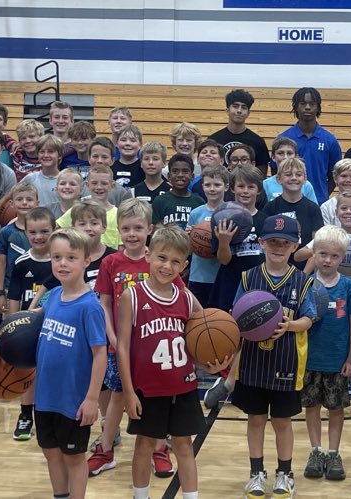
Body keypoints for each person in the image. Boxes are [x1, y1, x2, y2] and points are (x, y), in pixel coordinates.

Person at [116, 226, 228, 499]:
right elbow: (122, 347)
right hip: (147, 390)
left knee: (184, 446)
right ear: (149, 256)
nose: (167, 266)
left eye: (175, 261)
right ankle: (140, 496)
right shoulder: (132, 296)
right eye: (162, 258)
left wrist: (211, 365)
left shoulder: (188, 298)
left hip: (183, 388)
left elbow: (206, 337)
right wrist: (129, 393)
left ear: (185, 265)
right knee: (144, 445)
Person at [224, 214, 322, 499]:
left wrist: (288, 326)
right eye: (273, 242)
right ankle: (256, 473)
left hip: (287, 362)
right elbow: (236, 317)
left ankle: (285, 473)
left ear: (295, 247)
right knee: (255, 419)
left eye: (285, 243)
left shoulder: (302, 281)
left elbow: (309, 319)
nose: (278, 247)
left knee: (282, 422)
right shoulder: (249, 277)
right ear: (261, 243)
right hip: (253, 363)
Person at [89, 199, 170, 479]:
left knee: (158, 399)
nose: (132, 234)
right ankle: (105, 449)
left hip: (154, 344)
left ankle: (159, 449)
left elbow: (177, 296)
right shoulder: (111, 262)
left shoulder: (158, 260)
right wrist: (111, 336)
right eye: (126, 228)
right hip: (121, 345)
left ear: (150, 228)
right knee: (118, 396)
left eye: (138, 228)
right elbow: (104, 303)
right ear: (118, 230)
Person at [32, 228, 109, 499]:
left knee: (74, 457)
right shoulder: (52, 297)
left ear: (86, 261)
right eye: (56, 257)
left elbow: (101, 354)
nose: (62, 263)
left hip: (73, 400)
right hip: (44, 397)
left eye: (71, 257)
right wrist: (2, 331)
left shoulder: (90, 307)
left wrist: (91, 399)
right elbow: (27, 322)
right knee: (51, 453)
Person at [300, 226, 351, 483]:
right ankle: (316, 451)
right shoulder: (304, 285)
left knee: (336, 409)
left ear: (343, 257)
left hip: (337, 361)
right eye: (322, 254)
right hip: (309, 360)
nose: (327, 260)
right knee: (311, 407)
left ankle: (334, 453)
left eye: (334, 256)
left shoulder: (349, 288)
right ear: (313, 253)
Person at [5, 208, 57, 442]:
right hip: (28, 326)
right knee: (27, 371)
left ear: (54, 230)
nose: (38, 237)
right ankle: (25, 415)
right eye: (33, 232)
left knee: (53, 372)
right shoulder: (21, 262)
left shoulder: (60, 260)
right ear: (25, 232)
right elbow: (14, 296)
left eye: (44, 231)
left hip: (56, 325)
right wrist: (12, 326)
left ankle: (51, 415)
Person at [211, 167, 268, 311]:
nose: (245, 191)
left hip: (258, 282)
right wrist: (224, 242)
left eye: (251, 187)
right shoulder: (221, 218)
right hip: (231, 282)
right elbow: (224, 260)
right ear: (232, 189)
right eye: (241, 186)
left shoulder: (266, 220)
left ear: (259, 190)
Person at [278, 87, 341, 200]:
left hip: (319, 202)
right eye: (303, 104)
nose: (307, 107)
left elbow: (334, 176)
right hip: (288, 201)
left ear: (318, 107)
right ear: (296, 107)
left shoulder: (330, 140)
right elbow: (276, 171)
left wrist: (321, 196)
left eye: (312, 104)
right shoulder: (284, 138)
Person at [262, 157, 323, 263]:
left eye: (298, 175)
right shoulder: (270, 208)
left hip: (304, 271)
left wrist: (305, 275)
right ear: (279, 179)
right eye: (288, 174)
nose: (294, 178)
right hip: (276, 267)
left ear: (305, 179)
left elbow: (316, 248)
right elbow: (265, 244)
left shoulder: (313, 209)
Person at [0, 184, 40, 313]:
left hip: (37, 288)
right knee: (12, 327)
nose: (24, 203)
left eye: (29, 200)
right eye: (19, 199)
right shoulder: (6, 232)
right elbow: (1, 263)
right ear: (11, 203)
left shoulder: (43, 232)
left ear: (37, 203)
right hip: (10, 288)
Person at [186, 166, 229, 304]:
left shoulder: (232, 212)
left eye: (217, 185)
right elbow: (188, 248)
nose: (212, 189)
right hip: (198, 275)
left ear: (226, 187)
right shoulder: (195, 213)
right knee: (197, 318)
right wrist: (190, 238)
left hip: (221, 275)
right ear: (202, 186)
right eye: (208, 185)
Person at [209, 89, 271, 171]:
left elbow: (261, 176)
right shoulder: (214, 140)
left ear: (248, 113)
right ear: (227, 111)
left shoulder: (258, 142)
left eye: (244, 107)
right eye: (235, 106)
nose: (239, 111)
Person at [151, 153, 205, 230]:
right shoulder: (160, 201)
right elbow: (154, 233)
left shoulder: (199, 202)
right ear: (169, 176)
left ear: (192, 176)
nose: (180, 175)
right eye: (175, 171)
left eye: (185, 171)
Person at [20, 135, 66, 215]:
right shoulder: (30, 179)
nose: (46, 155)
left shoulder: (66, 181)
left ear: (60, 156)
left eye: (50, 152)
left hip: (61, 225)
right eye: (42, 152)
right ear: (37, 155)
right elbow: (11, 195)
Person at [263, 138, 318, 203]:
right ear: (273, 157)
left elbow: (313, 210)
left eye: (289, 153)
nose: (285, 157)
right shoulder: (265, 184)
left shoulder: (306, 185)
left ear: (296, 157)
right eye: (280, 153)